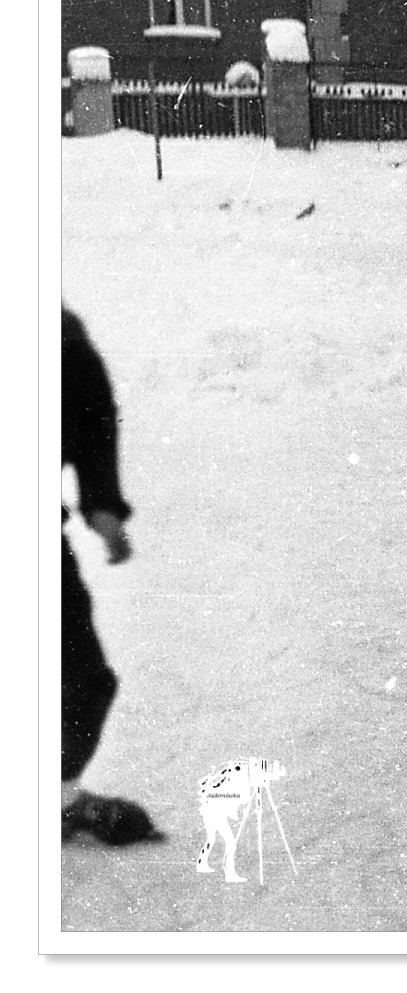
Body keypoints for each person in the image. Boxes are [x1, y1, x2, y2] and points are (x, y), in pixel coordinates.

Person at [61, 306, 165, 845]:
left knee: (86, 681)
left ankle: (52, 799)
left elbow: (95, 419)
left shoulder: (65, 343)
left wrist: (102, 504)